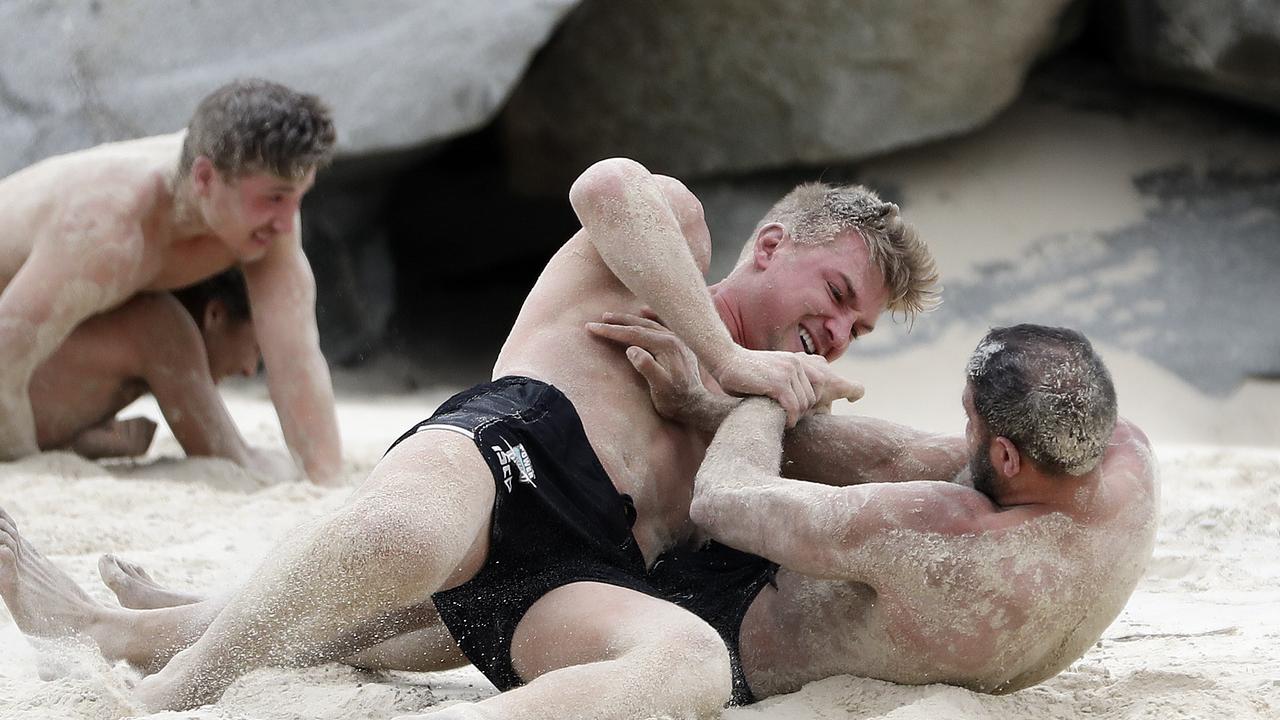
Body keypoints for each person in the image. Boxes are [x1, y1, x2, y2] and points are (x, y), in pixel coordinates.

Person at [0, 158, 939, 719]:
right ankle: (176, 689)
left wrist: (745, 400)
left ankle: (130, 626)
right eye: (837, 296)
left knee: (686, 661)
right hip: (506, 456)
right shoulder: (675, 243)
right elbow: (603, 185)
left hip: (576, 576)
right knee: (399, 545)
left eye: (859, 331)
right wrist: (724, 357)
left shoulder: (766, 407)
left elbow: (896, 469)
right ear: (772, 247)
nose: (839, 333)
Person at [589, 319, 1158, 701]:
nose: (964, 431)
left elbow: (722, 500)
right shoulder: (1126, 460)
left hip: (726, 626)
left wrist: (770, 386)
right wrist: (702, 407)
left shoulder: (951, 530)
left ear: (1006, 455)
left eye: (970, 420)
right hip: (975, 643)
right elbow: (899, 458)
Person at [0, 78, 341, 484]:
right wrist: (27, 464)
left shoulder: (253, 202)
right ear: (203, 179)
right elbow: (4, 355)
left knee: (160, 323)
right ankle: (231, 457)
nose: (287, 222)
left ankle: (82, 440)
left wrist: (330, 487)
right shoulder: (107, 226)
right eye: (275, 198)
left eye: (298, 198)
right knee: (157, 326)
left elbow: (296, 357)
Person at [28, 268, 296, 478]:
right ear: (215, 315)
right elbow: (233, 460)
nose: (250, 370)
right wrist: (298, 466)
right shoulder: (163, 324)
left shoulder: (143, 317)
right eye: (256, 349)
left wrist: (94, 444)